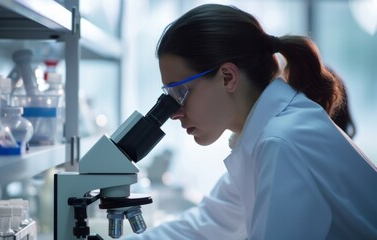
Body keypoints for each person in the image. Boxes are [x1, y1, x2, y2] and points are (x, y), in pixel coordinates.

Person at [122, 3, 377, 240]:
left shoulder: (281, 141)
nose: (174, 113)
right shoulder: (264, 137)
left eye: (179, 94)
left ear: (227, 78)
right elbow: (208, 224)